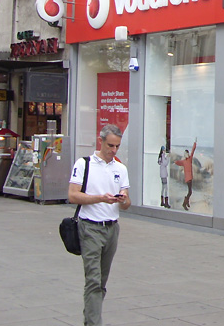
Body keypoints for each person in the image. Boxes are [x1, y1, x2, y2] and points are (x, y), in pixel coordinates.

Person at [68, 124, 131, 326]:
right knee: (93, 280)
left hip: (112, 228)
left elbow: (127, 203)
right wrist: (100, 198)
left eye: (117, 147)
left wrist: (122, 200)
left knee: (101, 281)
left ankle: (90, 318)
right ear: (101, 141)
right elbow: (73, 195)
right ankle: (94, 323)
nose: (113, 151)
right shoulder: (84, 164)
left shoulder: (120, 168)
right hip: (90, 227)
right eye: (110, 145)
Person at [174, 139, 197, 210]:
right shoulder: (184, 161)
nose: (186, 155)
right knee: (190, 192)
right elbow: (178, 162)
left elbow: (193, 150)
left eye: (187, 154)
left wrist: (195, 143)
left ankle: (186, 201)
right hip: (188, 178)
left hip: (190, 177)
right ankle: (184, 203)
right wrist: (174, 161)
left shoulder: (189, 159)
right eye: (185, 154)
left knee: (189, 191)